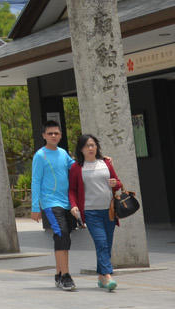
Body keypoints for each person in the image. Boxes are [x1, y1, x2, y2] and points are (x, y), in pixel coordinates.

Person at [67, 134, 123, 291]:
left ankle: (100, 276)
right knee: (101, 243)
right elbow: (72, 189)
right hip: (91, 212)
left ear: (97, 146)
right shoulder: (77, 167)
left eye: (92, 145)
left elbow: (117, 182)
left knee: (107, 244)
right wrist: (73, 205)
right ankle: (108, 276)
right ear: (81, 149)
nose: (90, 148)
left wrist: (115, 183)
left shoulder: (106, 163)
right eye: (86, 146)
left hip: (110, 210)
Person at [29, 122, 77, 290]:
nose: (53, 136)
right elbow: (35, 181)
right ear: (44, 136)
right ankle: (65, 275)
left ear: (61, 135)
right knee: (62, 234)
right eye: (50, 133)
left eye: (56, 133)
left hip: (66, 203)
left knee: (64, 237)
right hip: (50, 203)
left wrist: (100, 160)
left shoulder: (63, 153)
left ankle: (58, 273)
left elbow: (76, 168)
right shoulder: (40, 156)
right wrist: (35, 207)